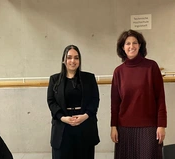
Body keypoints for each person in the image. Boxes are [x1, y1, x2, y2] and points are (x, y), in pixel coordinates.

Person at [110, 29, 167, 159]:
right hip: (124, 129)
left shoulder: (151, 67)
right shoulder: (118, 72)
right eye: (127, 43)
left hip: (149, 128)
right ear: (122, 47)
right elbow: (115, 103)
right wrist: (113, 126)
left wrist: (161, 125)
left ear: (140, 45)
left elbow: (160, 99)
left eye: (134, 43)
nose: (131, 46)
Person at [47, 44, 100, 159]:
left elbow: (95, 100)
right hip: (63, 127)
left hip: (84, 125)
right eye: (69, 57)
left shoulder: (89, 78)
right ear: (63, 60)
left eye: (76, 58)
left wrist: (85, 116)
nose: (73, 61)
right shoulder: (54, 79)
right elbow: (51, 101)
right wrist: (62, 118)